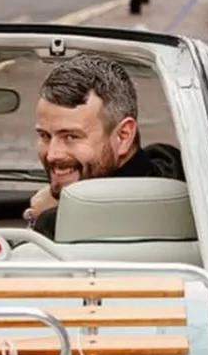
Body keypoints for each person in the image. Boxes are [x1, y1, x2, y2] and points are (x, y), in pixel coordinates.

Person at [23, 52, 186, 238]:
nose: (53, 154)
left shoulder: (57, 228)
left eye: (71, 137)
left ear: (124, 136)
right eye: (45, 136)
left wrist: (38, 220)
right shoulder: (175, 172)